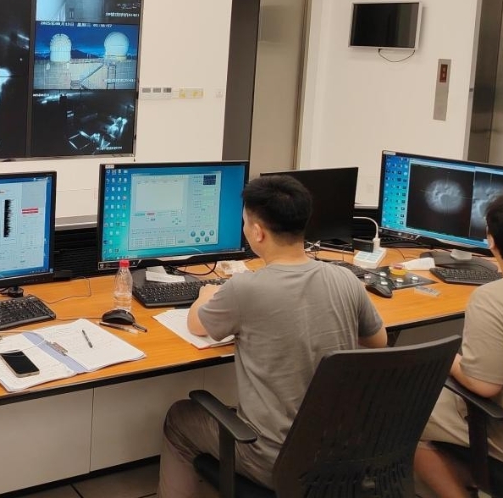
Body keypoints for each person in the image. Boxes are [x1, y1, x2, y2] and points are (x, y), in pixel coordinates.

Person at [158, 175, 388, 496]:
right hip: (341, 452)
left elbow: (198, 325)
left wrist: (204, 295)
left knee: (179, 418)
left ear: (258, 232)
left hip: (274, 461)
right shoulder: (346, 279)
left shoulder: (245, 288)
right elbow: (379, 342)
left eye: (244, 223)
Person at [415, 190, 503, 498]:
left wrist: (448, 358)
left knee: (410, 417)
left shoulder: (495, 298)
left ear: (492, 242)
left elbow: (484, 385)